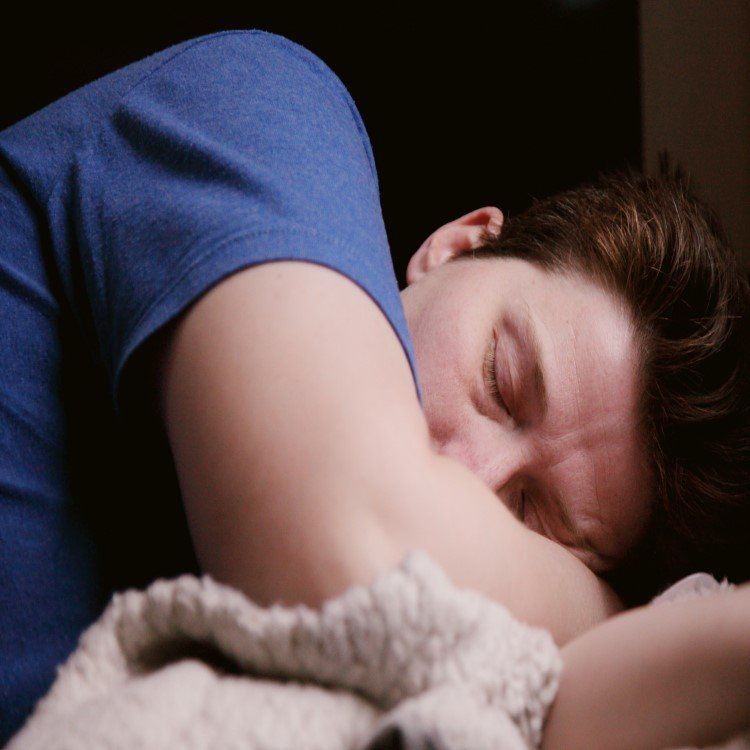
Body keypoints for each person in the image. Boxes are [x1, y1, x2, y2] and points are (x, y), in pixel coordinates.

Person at [0, 30, 747, 745]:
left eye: (531, 514)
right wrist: (625, 617)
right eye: (499, 382)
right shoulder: (265, 107)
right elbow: (354, 556)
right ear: (460, 244)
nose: (467, 474)